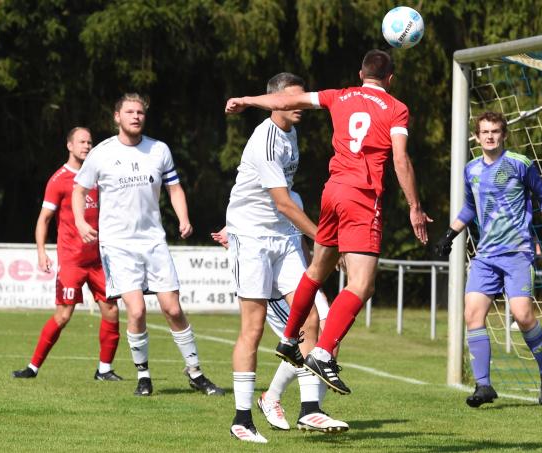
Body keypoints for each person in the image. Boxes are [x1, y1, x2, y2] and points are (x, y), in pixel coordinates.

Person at [225, 49, 431, 396]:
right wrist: (415, 206)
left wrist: (246, 99)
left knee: (317, 270)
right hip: (362, 197)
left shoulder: (340, 95)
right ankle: (321, 353)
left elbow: (285, 98)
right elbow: (400, 158)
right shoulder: (396, 108)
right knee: (362, 285)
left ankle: (290, 339)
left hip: (332, 193)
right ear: (390, 79)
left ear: (360, 73)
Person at [222, 73, 347, 443]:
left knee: (309, 316)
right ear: (275, 102)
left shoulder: (291, 135)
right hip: (252, 238)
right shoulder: (265, 140)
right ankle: (242, 418)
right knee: (254, 327)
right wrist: (325, 239)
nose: (303, 106)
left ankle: (311, 412)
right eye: (294, 100)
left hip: (283, 238)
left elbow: (288, 202)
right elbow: (282, 203)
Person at [72, 93, 223, 397]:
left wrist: (183, 217)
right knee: (137, 311)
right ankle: (144, 375)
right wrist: (80, 222)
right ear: (117, 117)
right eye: (129, 112)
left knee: (173, 308)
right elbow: (79, 189)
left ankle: (195, 372)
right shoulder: (101, 153)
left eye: (140, 112)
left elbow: (174, 187)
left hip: (153, 241)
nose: (136, 116)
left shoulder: (159, 150)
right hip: (117, 244)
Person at [434, 111, 542, 407]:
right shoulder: (471, 170)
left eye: (495, 131)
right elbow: (470, 207)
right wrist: (449, 235)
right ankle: (483, 386)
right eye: (485, 131)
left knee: (522, 316)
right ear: (477, 136)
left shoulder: (520, 164)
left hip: (518, 253)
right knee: (472, 313)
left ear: (503, 135)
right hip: (485, 256)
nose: (490, 135)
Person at [12, 127, 122, 381]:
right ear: (69, 146)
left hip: (98, 261)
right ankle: (33, 367)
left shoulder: (99, 177)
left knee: (112, 311)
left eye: (90, 142)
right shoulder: (58, 180)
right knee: (63, 315)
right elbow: (44, 219)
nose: (87, 146)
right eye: (81, 142)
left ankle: (104, 370)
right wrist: (42, 252)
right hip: (72, 261)